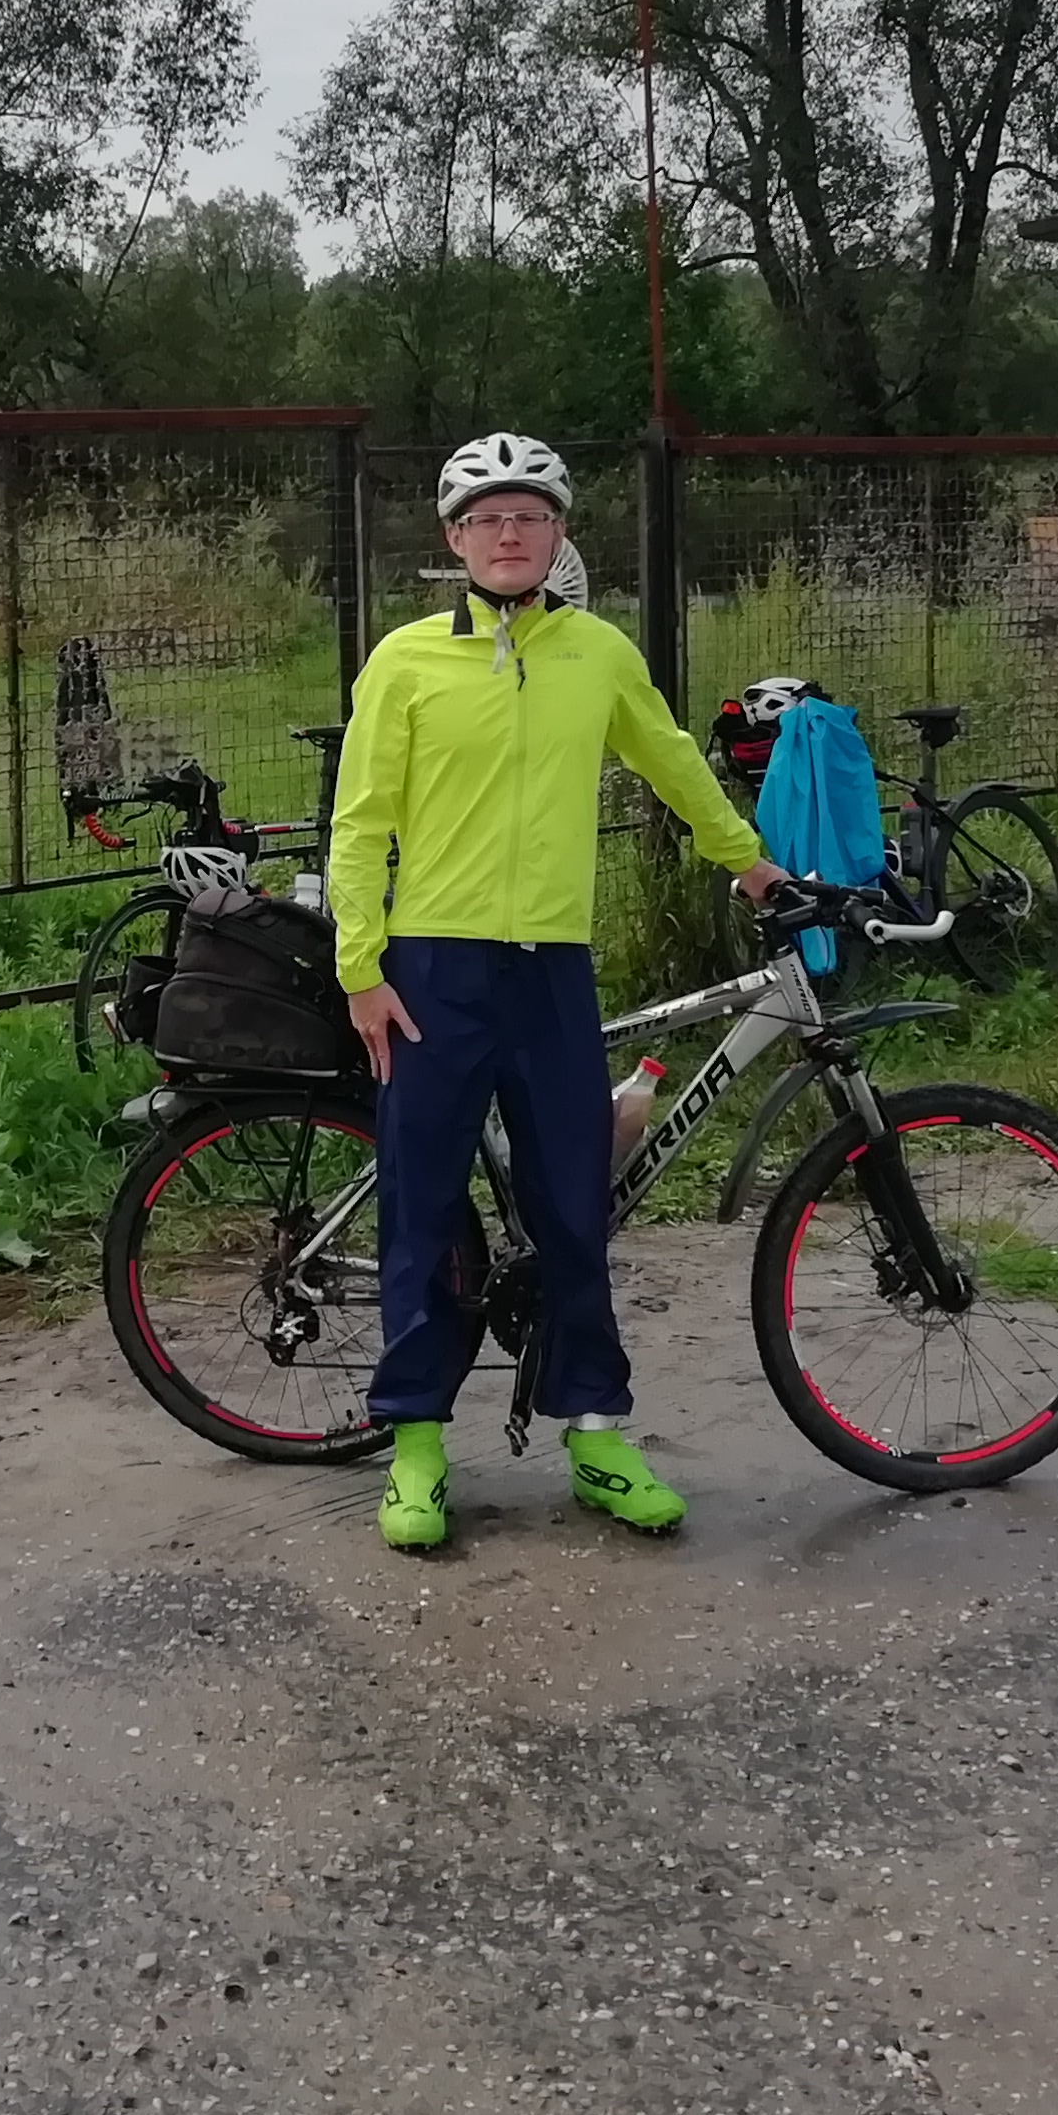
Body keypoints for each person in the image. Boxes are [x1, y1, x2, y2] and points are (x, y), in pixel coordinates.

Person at [327, 431, 785, 1554]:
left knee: (575, 1208)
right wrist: (360, 969)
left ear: (558, 533)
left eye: (528, 515)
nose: (508, 533)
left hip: (550, 970)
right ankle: (416, 1443)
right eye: (486, 518)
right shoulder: (404, 662)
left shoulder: (597, 654)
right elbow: (360, 821)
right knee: (421, 1212)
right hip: (431, 970)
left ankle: (595, 1432)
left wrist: (750, 863)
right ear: (454, 539)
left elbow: (672, 762)